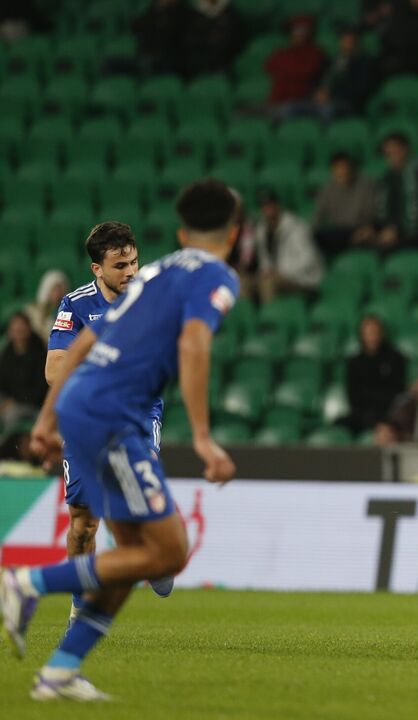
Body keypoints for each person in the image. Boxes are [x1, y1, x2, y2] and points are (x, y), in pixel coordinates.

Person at [5, 180, 240, 700]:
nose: (129, 269)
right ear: (236, 231)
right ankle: (25, 584)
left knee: (147, 553)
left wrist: (46, 419)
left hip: (92, 409)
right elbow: (195, 345)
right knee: (164, 551)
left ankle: (60, 672)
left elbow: (90, 339)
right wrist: (202, 437)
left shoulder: (155, 273)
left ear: (179, 232)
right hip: (113, 413)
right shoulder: (215, 277)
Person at [45, 224, 171, 625]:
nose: (131, 272)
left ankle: (154, 546)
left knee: (136, 480)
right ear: (97, 268)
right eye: (120, 265)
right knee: (83, 523)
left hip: (136, 409)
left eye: (134, 261)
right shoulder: (76, 305)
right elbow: (53, 369)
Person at [245, 188, 324, 302]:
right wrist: (266, 271)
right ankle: (247, 318)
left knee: (268, 283)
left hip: (303, 280)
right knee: (243, 283)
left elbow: (309, 260)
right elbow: (265, 262)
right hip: (278, 277)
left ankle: (270, 318)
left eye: (271, 204)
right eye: (264, 205)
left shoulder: (296, 227)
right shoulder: (261, 230)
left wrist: (281, 272)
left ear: (277, 205)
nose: (268, 208)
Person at [369, 132, 418, 250]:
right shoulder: (388, 178)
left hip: (416, 233)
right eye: (388, 154)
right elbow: (384, 210)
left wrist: (397, 230)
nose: (392, 157)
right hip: (391, 232)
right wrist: (373, 228)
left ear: (406, 150)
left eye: (395, 152)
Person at [345, 314, 406, 434]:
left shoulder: (395, 359)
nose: (371, 336)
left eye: (374, 332)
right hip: (362, 414)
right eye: (367, 332)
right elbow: (353, 395)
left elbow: (397, 391)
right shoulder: (354, 363)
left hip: (387, 414)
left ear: (381, 333)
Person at [313, 152, 378, 258]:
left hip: (359, 230)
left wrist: (368, 228)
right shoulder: (327, 189)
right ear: (333, 170)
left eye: (345, 167)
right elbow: (318, 215)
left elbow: (372, 213)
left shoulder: (366, 185)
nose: (342, 171)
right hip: (338, 232)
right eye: (338, 168)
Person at [264, 15, 327, 116]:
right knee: (241, 114)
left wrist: (285, 69)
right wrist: (289, 69)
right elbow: (269, 66)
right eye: (295, 30)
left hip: (299, 102)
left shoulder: (316, 53)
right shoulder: (282, 52)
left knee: (286, 111)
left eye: (302, 30)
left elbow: (305, 72)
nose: (298, 34)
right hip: (276, 101)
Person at [0, 313, 47, 429]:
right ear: (10, 332)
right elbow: (2, 384)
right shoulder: (6, 355)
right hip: (13, 405)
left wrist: (16, 400)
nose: (19, 331)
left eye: (22, 327)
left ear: (29, 328)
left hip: (37, 405)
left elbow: (42, 387)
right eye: (15, 329)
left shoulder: (41, 352)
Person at [25, 269, 68, 339]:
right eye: (55, 289)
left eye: (61, 289)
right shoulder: (32, 312)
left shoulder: (69, 312)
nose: (58, 293)